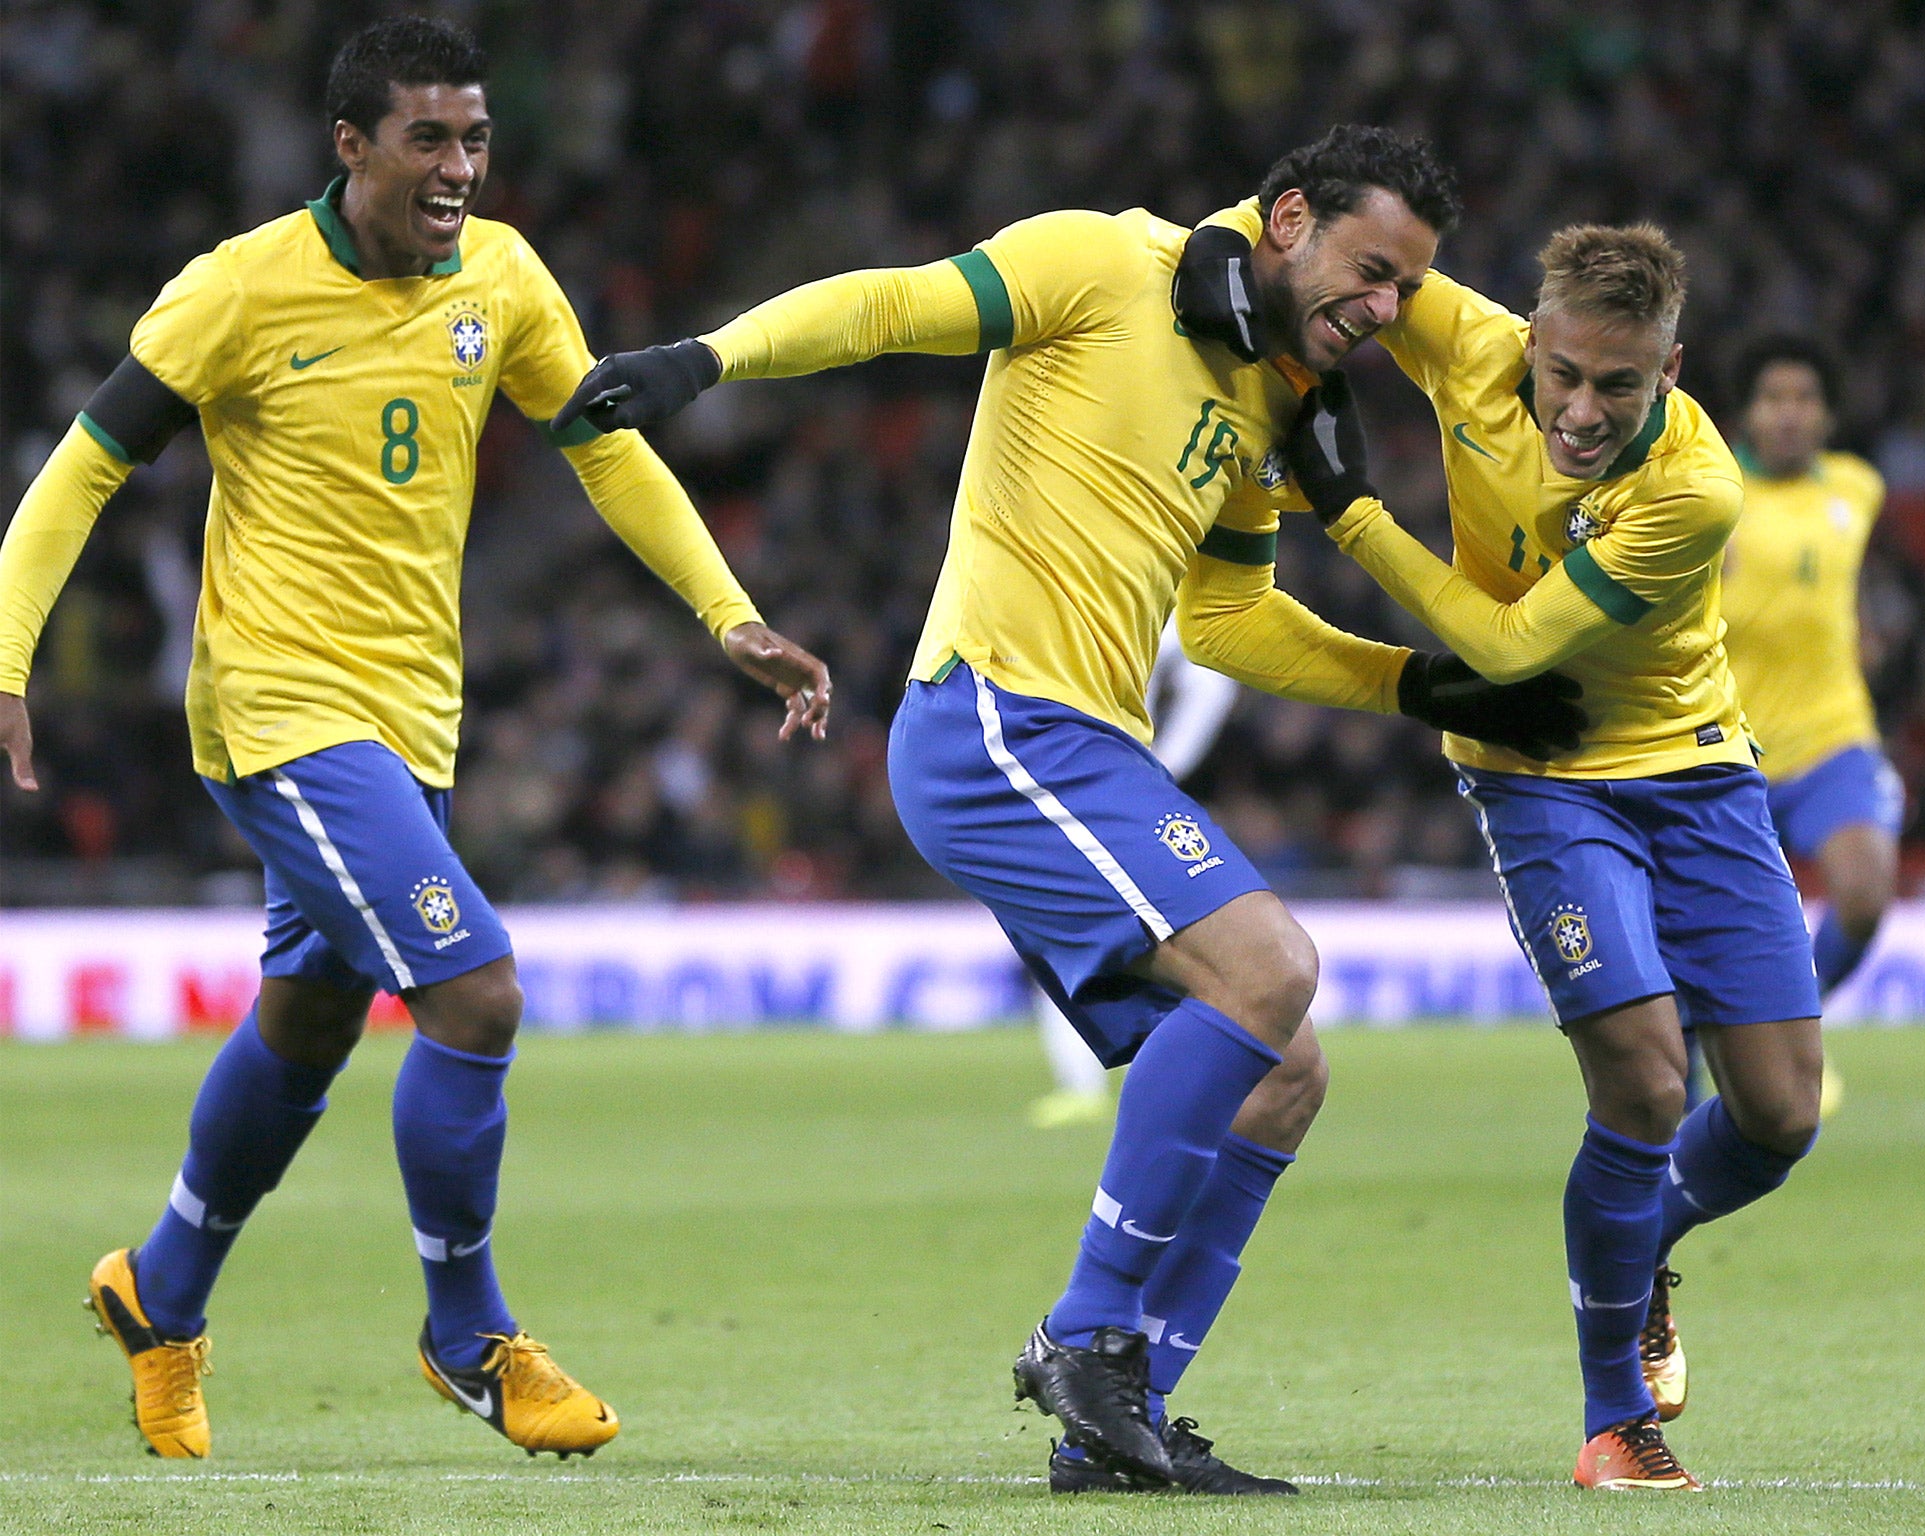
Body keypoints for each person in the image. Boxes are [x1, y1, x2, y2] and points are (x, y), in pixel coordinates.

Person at [555, 125, 1583, 1494]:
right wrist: (707, 361)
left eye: (1407, 290)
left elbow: (1224, 626)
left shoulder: (1270, 398)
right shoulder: (1101, 262)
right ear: (1287, 220)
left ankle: (1122, 1415)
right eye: (1373, 270)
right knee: (1271, 965)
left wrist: (1425, 689)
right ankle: (1084, 1333)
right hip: (994, 715)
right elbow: (886, 305)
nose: (1388, 312)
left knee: (1284, 1074)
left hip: (1085, 742)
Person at [0, 17, 827, 1461]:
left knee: (312, 1021)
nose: (460, 169)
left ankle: (160, 1288)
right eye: (430, 140)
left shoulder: (501, 277)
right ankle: (469, 1335)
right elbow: (83, 465)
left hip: (411, 718)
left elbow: (604, 442)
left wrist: (726, 614)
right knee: (477, 992)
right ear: (352, 145)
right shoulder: (239, 289)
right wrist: (5, 657)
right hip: (276, 711)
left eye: (477, 139)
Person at [1177, 213, 1822, 1491]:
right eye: (1563, 375)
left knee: (1778, 1116)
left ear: (1670, 375)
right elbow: (1326, 240)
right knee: (1643, 1084)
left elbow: (1515, 645)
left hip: (1692, 768)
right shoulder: (1464, 340)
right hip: (1535, 776)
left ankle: (1639, 1249)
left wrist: (1348, 509)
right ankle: (1611, 1424)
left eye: (1619, 385)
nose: (1581, 410)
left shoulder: (1692, 488)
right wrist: (1215, 245)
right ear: (1527, 342)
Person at [1720, 336, 1900, 999]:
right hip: (1729, 750)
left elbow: (1836, 573)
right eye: (1773, 399)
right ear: (1747, 414)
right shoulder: (1713, 493)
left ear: (1827, 416)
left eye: (1804, 399)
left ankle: (1791, 1017)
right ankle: (1699, 1076)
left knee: (1863, 896)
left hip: (1832, 735)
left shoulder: (1858, 487)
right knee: (1700, 937)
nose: (1790, 414)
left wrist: (1858, 628)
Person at [1028, 615, 1239, 1130]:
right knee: (1078, 942)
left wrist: (1159, 765)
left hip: (1124, 797)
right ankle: (1097, 1084)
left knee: (1092, 940)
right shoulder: (1106, 611)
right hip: (1104, 791)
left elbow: (1210, 688)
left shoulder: (1151, 615)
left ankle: (1192, 1070)